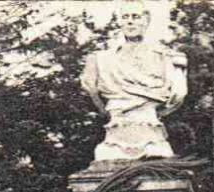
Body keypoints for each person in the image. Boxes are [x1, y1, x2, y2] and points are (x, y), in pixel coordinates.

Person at [79, 0, 187, 163]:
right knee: (106, 153)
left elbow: (177, 95)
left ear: (146, 20)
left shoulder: (167, 58)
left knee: (158, 151)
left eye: (135, 16)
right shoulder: (101, 60)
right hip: (114, 133)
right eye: (125, 17)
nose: (130, 21)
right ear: (119, 22)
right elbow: (91, 89)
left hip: (152, 133)